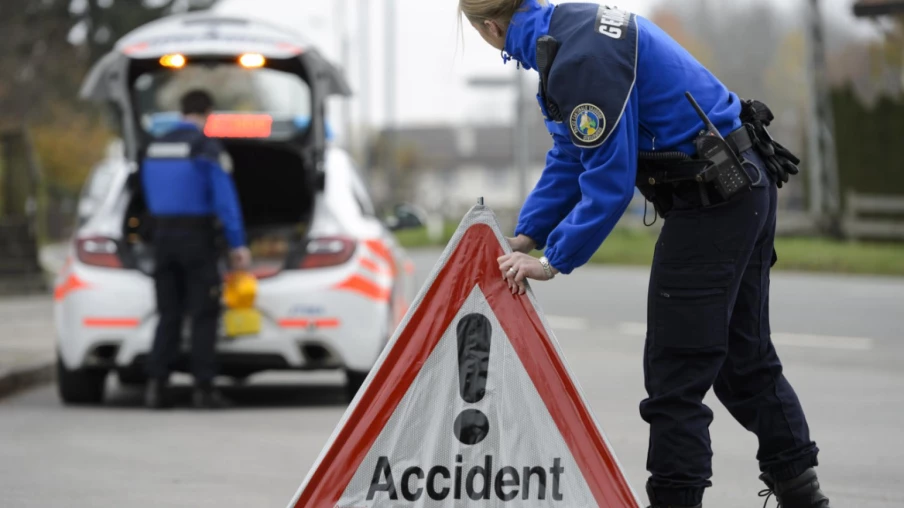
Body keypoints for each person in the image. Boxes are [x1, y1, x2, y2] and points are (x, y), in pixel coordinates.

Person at [460, 1, 831, 507]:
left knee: (674, 378)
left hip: (713, 200)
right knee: (744, 361)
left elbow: (609, 184)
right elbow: (572, 153)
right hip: (744, 184)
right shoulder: (571, 28)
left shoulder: (578, 61)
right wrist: (525, 235)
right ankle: (803, 496)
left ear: (490, 27)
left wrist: (551, 261)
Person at [141, 89, 252, 410]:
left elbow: (146, 194)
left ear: (181, 111)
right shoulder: (206, 148)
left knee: (169, 314)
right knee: (203, 313)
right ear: (208, 112)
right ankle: (203, 389)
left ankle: (156, 386)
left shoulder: (155, 147)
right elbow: (224, 200)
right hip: (197, 240)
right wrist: (237, 243)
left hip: (161, 239)